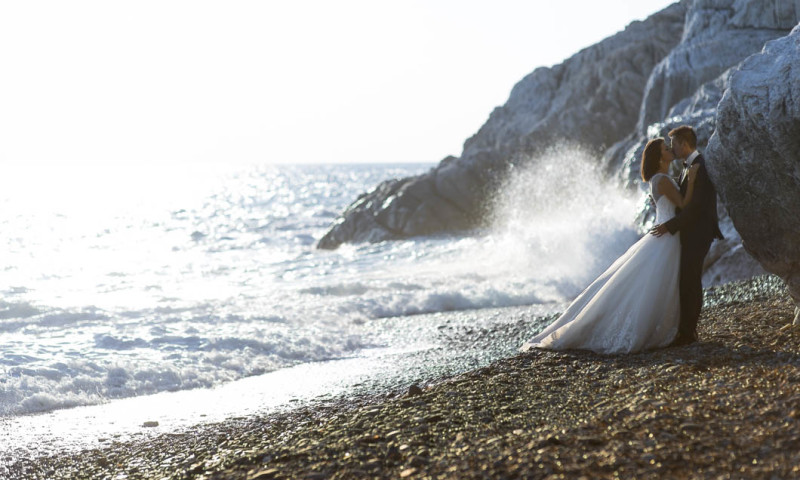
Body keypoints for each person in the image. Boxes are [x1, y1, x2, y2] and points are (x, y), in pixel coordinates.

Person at [520, 138, 698, 354]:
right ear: (659, 157)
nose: (671, 151)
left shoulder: (656, 180)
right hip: (667, 237)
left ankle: (666, 328)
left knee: (647, 284)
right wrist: (693, 180)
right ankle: (657, 329)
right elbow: (683, 204)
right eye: (666, 149)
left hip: (663, 233)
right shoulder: (663, 180)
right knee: (656, 284)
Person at [650, 126, 724, 346]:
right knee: (687, 280)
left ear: (683, 143)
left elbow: (696, 207)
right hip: (690, 232)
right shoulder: (687, 167)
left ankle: (688, 333)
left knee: (690, 281)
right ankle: (686, 331)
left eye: (673, 144)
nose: (672, 149)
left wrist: (669, 226)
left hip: (699, 233)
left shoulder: (699, 165)